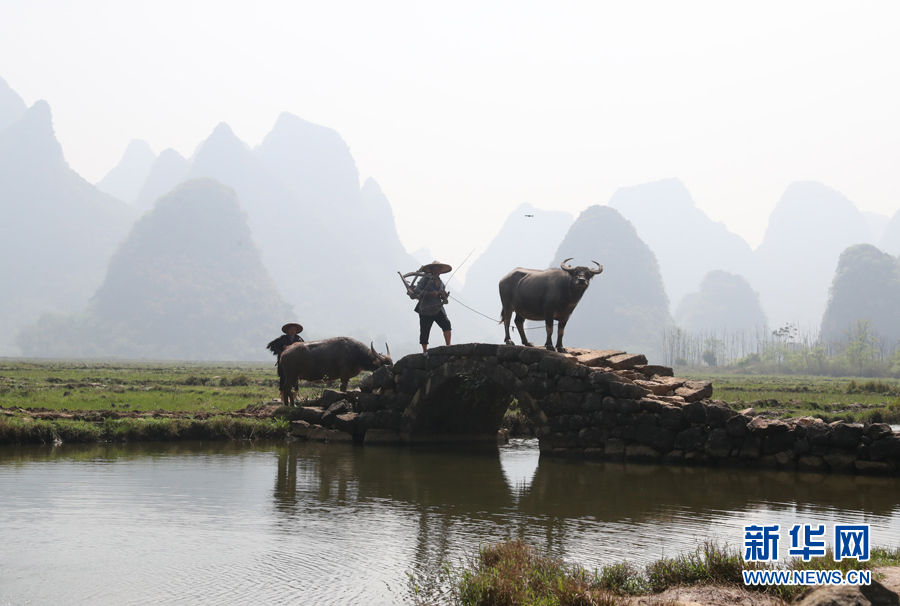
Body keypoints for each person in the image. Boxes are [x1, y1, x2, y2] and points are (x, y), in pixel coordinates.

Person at [413, 261, 452, 354]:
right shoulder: (425, 280)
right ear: (431, 270)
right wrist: (429, 294)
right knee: (424, 331)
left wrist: (443, 295)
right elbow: (416, 291)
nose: (437, 270)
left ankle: (448, 346)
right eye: (435, 268)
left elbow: (442, 296)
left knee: (447, 324)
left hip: (438, 309)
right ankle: (425, 351)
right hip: (425, 309)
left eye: (439, 268)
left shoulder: (441, 283)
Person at [266, 322, 304, 405]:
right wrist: (283, 353)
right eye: (291, 329)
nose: (292, 331)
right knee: (284, 379)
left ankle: (293, 399)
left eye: (294, 329)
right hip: (284, 363)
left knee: (295, 381)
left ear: (297, 331)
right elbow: (272, 346)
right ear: (287, 330)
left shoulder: (299, 340)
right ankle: (283, 399)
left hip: (296, 364)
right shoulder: (282, 339)